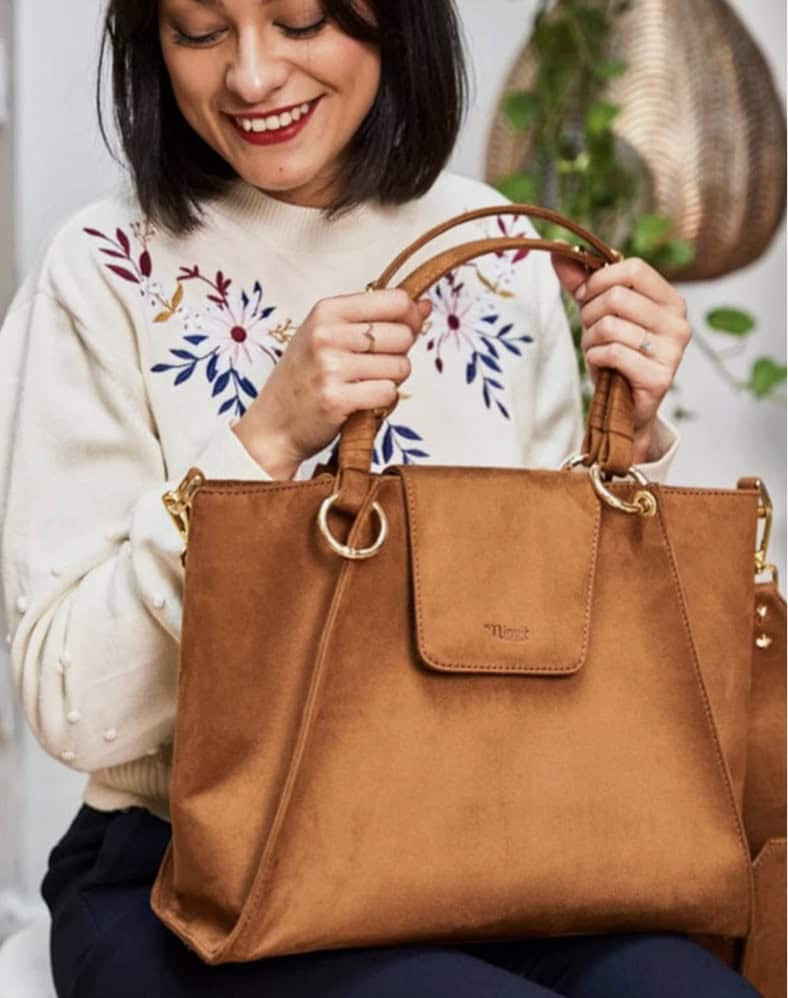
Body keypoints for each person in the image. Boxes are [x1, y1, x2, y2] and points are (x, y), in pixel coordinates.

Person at [0, 1, 758, 996]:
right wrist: (263, 443)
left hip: (494, 848)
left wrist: (636, 436)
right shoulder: (103, 270)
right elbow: (70, 705)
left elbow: (560, 660)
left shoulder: (496, 253)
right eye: (198, 31)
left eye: (302, 19)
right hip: (190, 866)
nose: (252, 77)